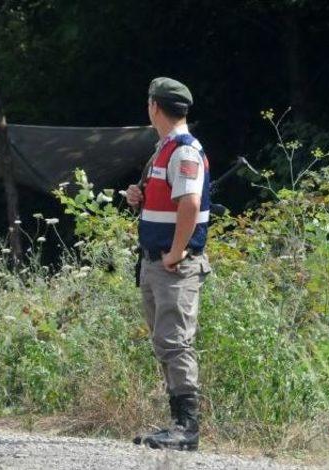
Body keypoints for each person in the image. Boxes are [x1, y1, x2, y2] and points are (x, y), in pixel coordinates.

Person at [127, 77, 212, 451]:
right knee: (165, 341)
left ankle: (187, 428)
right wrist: (139, 196)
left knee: (175, 342)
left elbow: (190, 204)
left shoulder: (184, 151)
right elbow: (170, 199)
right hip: (155, 262)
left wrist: (176, 252)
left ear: (153, 107)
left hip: (174, 264)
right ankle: (177, 423)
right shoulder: (164, 149)